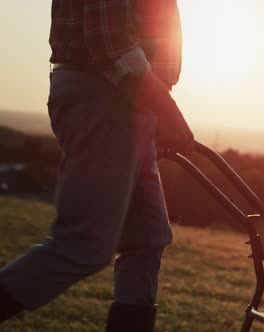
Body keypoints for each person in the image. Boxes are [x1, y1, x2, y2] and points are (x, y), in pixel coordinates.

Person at [0, 1, 193, 331]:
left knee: (146, 239)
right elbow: (111, 40)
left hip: (131, 99)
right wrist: (168, 109)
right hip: (105, 95)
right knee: (84, 244)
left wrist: (156, 105)